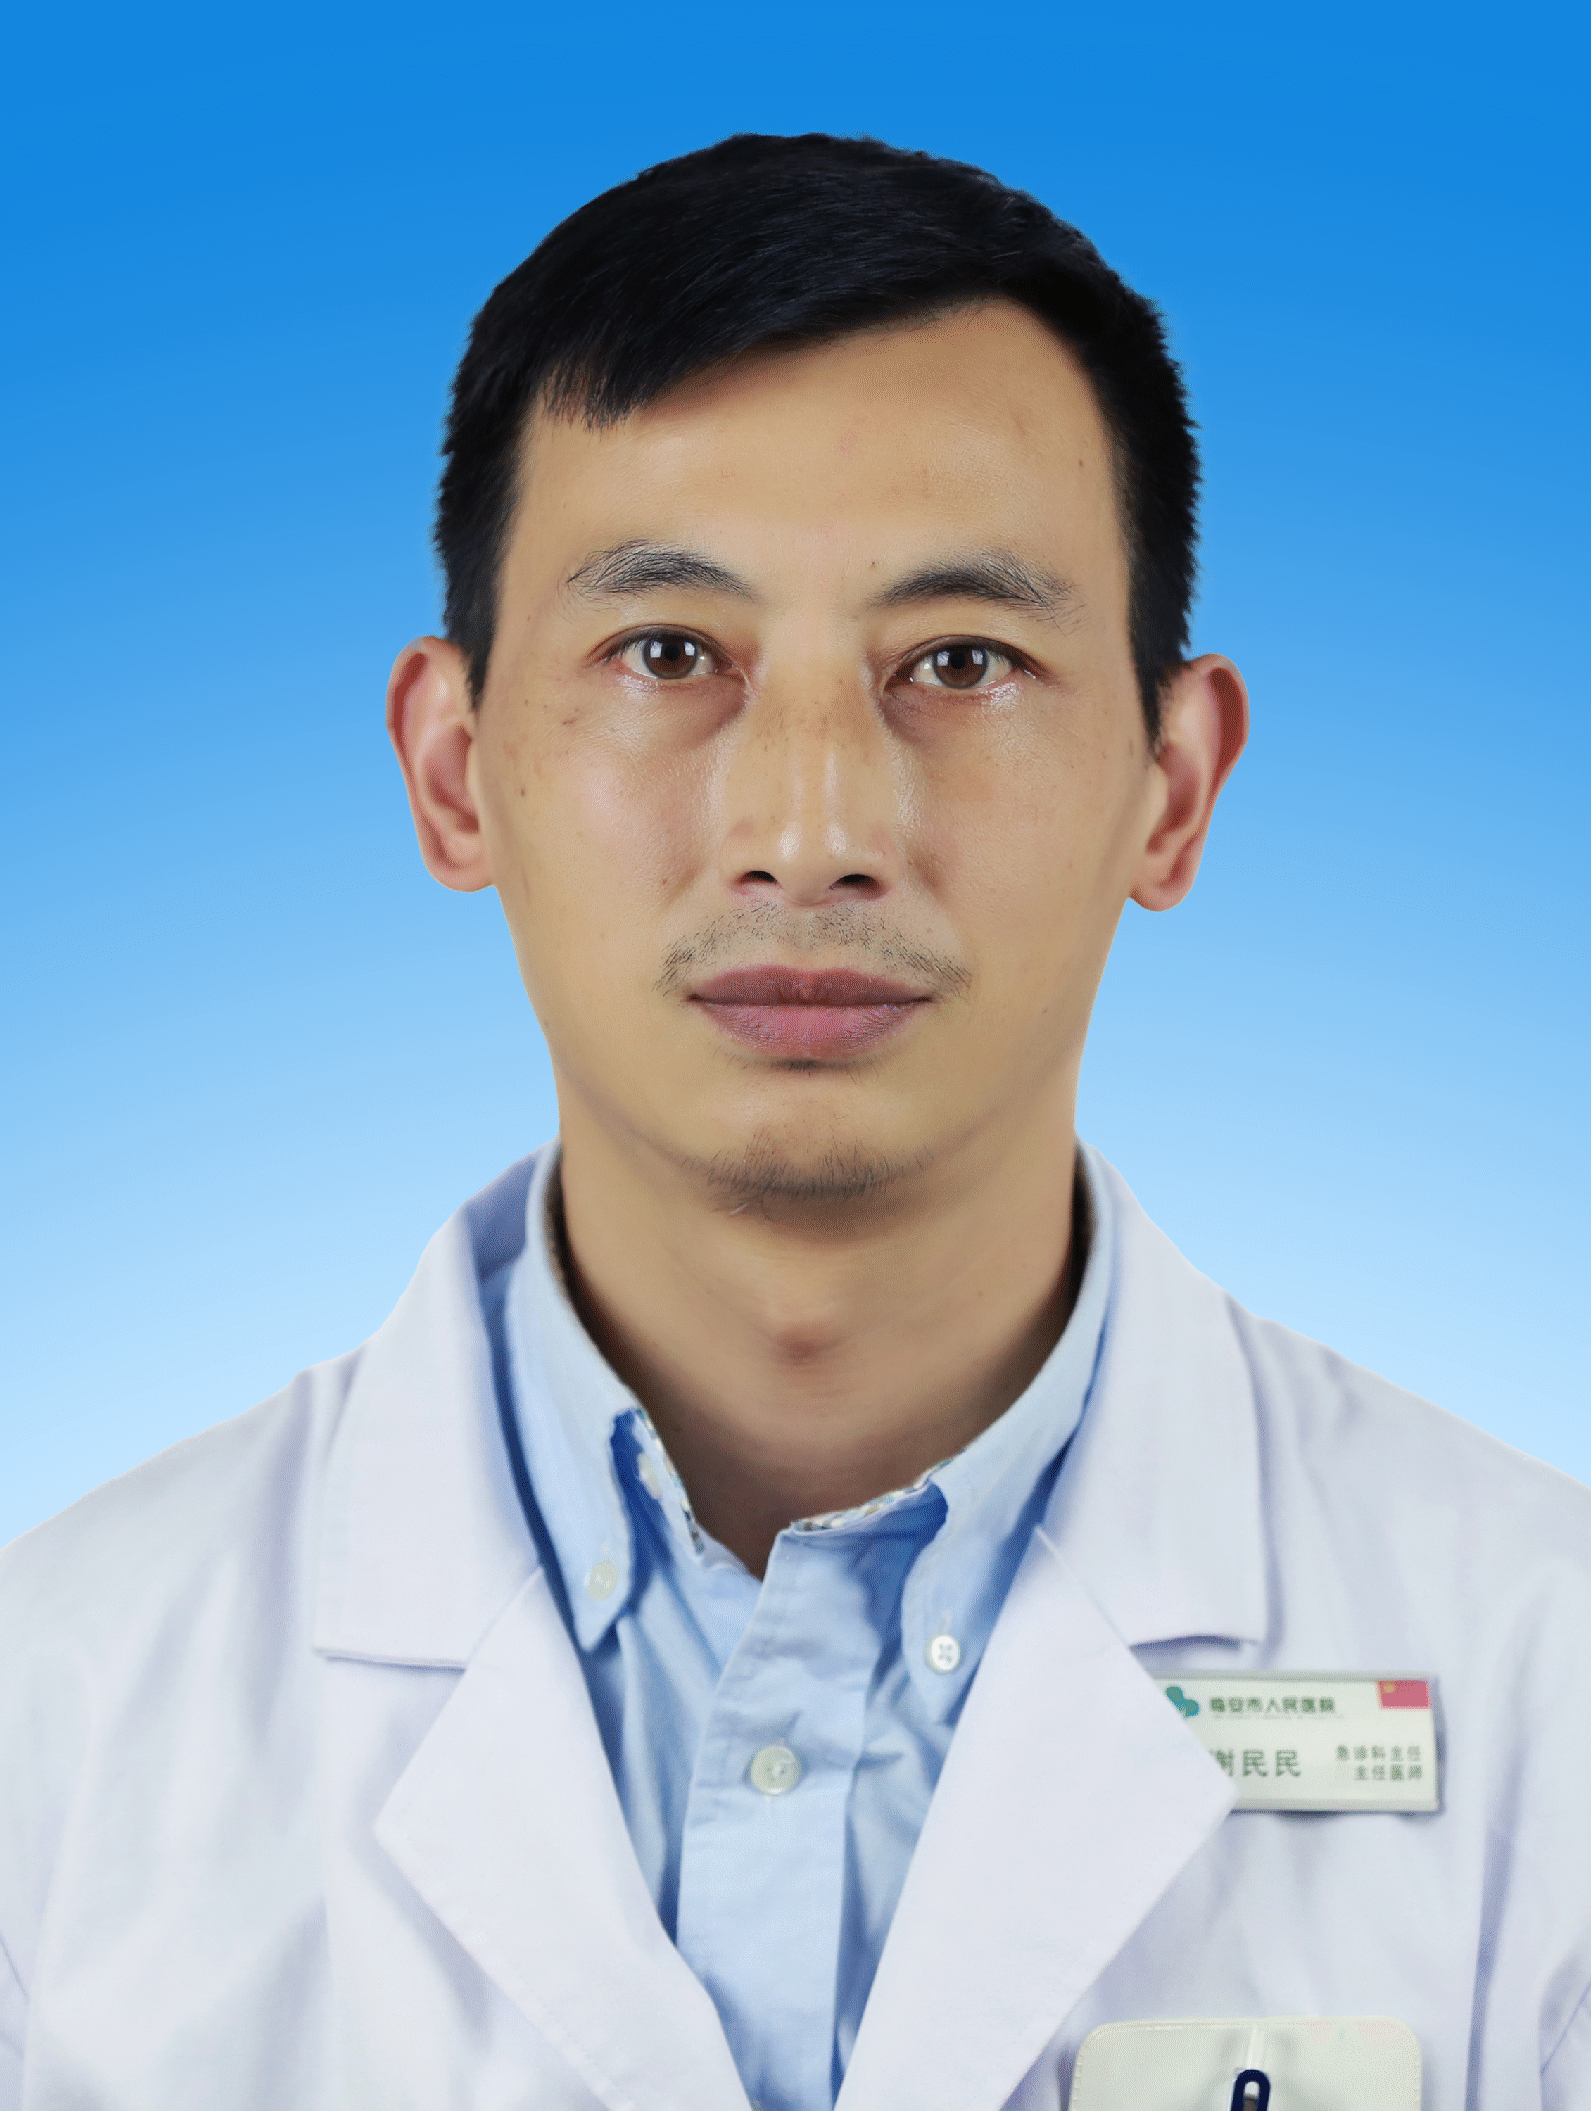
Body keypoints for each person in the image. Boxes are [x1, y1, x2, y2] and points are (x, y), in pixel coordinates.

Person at [0, 132, 1586, 2111]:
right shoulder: (53, 1720)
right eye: (669, 653)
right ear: (454, 769)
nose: (812, 830)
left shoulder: (1545, 1678)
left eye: (960, 662)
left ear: (1171, 788)